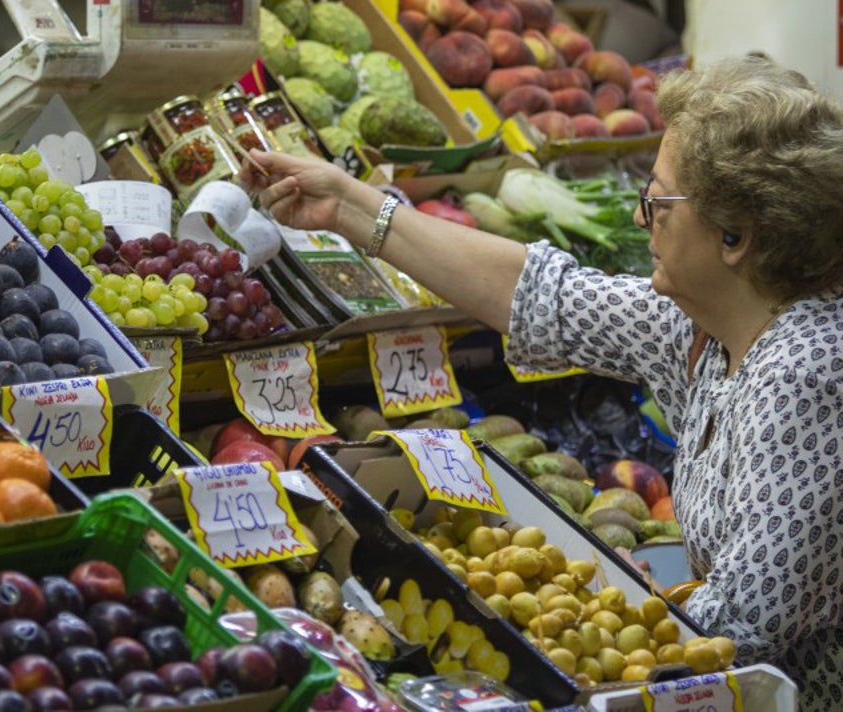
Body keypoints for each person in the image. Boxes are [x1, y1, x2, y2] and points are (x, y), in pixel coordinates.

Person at [242, 54, 843, 706]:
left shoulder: (802, 378)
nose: (642, 219)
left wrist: (618, 616)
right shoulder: (704, 324)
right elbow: (540, 296)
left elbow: (741, 632)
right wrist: (350, 205)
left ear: (736, 237)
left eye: (659, 201)